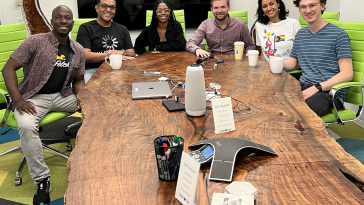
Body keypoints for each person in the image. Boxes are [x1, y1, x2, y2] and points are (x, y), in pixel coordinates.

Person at [1, 5, 85, 205]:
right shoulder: (35, 42)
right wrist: (18, 99)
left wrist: (83, 98)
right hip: (32, 98)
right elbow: (8, 69)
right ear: (52, 20)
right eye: (59, 17)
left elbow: (79, 81)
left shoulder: (78, 50)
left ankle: (91, 157)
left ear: (72, 22)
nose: (63, 21)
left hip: (62, 95)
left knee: (96, 105)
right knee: (28, 125)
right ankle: (42, 180)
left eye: (67, 18)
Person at [283, 0, 353, 117]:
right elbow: (291, 64)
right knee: (271, 101)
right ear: (299, 10)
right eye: (303, 7)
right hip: (303, 85)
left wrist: (316, 88)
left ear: (322, 6)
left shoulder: (339, 35)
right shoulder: (301, 35)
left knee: (299, 114)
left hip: (329, 92)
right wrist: (274, 62)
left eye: (312, 5)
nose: (308, 10)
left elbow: (347, 74)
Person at [76, 0, 135, 83]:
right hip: (93, 70)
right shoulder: (85, 28)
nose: (108, 10)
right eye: (104, 6)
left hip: (119, 70)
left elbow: (132, 54)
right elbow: (85, 55)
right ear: (97, 8)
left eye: (112, 7)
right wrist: (111, 56)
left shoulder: (123, 29)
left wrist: (122, 52)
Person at [186, 0, 256, 58]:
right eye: (216, 8)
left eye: (223, 7)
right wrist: (197, 49)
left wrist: (248, 55)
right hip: (213, 62)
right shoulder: (205, 24)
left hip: (234, 62)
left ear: (228, 8)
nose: (219, 11)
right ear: (212, 10)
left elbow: (250, 45)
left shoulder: (240, 25)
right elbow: (190, 43)